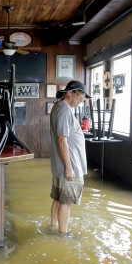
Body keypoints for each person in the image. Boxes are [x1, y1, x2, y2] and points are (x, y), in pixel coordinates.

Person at [49, 80, 91, 235]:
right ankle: (63, 235)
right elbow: (62, 139)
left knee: (58, 199)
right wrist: (69, 167)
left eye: (83, 96)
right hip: (68, 165)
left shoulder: (60, 107)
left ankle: (53, 227)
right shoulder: (64, 110)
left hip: (62, 165)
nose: (81, 99)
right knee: (66, 202)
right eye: (79, 94)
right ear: (69, 93)